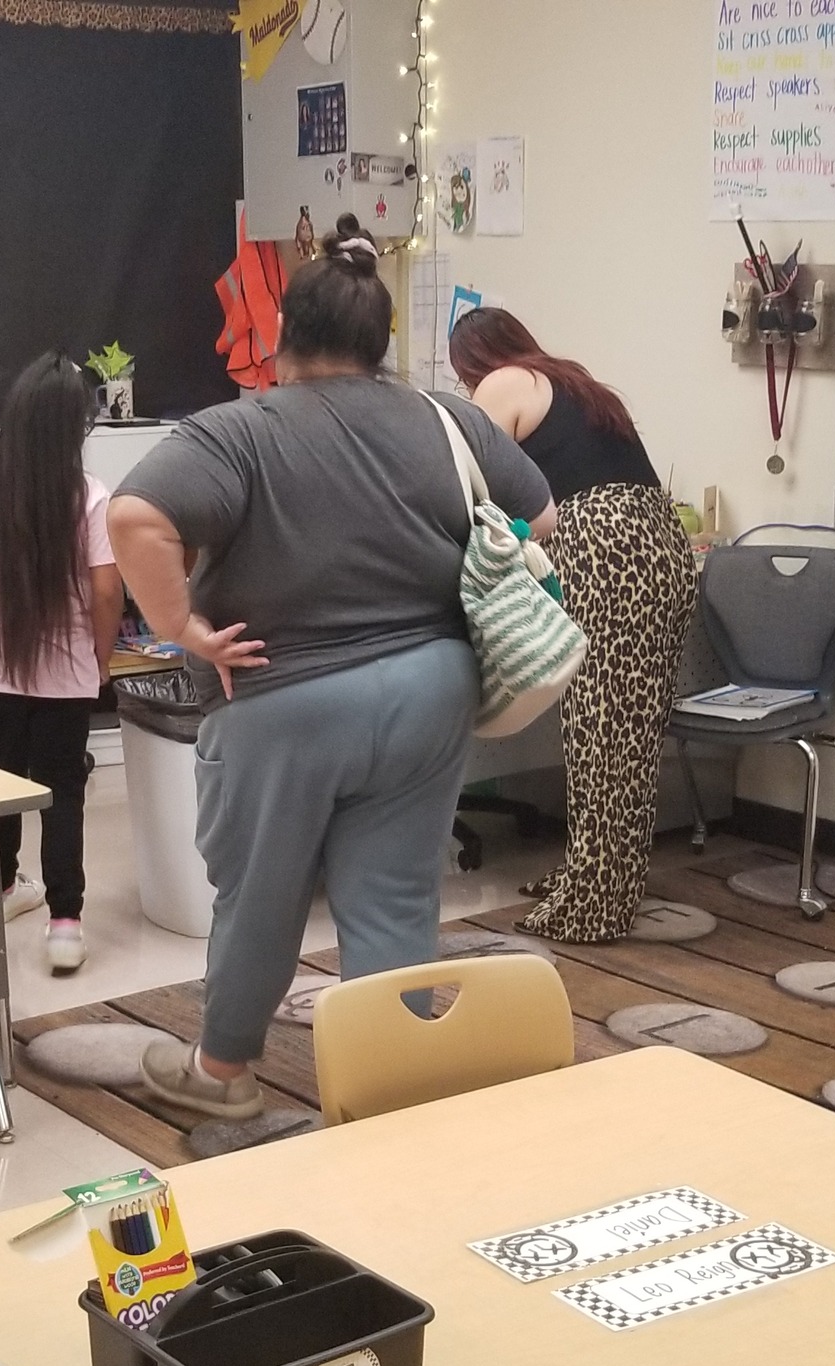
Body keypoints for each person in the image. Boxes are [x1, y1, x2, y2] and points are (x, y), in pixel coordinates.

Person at [109, 216, 554, 1120]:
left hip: (285, 699)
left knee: (263, 897)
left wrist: (183, 628)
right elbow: (539, 522)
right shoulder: (446, 417)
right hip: (430, 690)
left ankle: (223, 1076)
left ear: (280, 339)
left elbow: (132, 519)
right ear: (378, 344)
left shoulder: (241, 432)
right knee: (396, 900)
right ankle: (388, 1083)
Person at [452, 307, 695, 945]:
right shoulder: (576, 385)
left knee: (598, 734)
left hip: (604, 549)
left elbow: (477, 489)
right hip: (658, 547)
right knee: (628, 734)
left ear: (472, 362)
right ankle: (595, 878)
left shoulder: (500, 383)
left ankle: (594, 903)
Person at [0, 354, 120, 976]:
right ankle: (66, 923)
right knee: (63, 788)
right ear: (72, 429)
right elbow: (108, 591)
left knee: (1, 777)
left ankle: (2, 888)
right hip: (66, 673)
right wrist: (102, 655)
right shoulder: (89, 497)